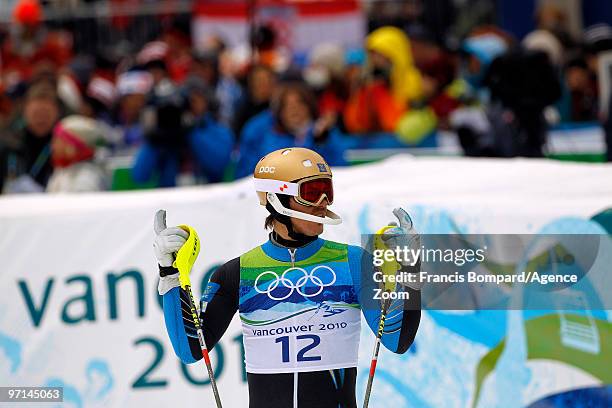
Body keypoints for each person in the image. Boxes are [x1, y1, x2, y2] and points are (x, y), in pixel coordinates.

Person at [154, 147, 421, 408]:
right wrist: (169, 273)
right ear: (276, 199)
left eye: (327, 191)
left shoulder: (354, 261)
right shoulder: (236, 272)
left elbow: (397, 340)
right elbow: (190, 351)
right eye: (311, 193)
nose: (323, 204)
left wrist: (411, 268)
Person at [235, 83, 346, 179]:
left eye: (299, 104)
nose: (294, 109)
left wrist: (321, 140)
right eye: (287, 106)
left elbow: (341, 169)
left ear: (309, 107)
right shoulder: (270, 140)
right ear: (280, 114)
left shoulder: (326, 134)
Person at [46, 115, 109, 193]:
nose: (53, 145)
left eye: (58, 140)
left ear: (71, 146)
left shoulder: (86, 179)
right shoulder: (62, 171)